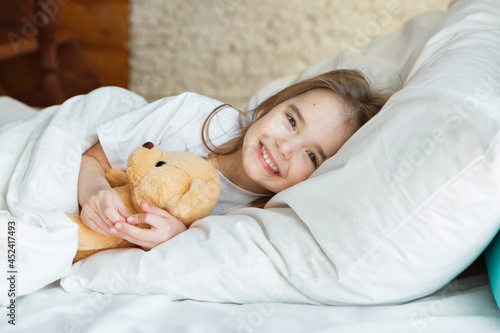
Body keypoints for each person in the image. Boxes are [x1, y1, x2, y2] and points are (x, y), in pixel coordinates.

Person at [77, 69, 389, 251]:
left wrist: (178, 239)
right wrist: (94, 193)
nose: (284, 147)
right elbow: (92, 157)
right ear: (269, 107)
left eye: (311, 155)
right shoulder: (191, 117)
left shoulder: (264, 218)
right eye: (291, 121)